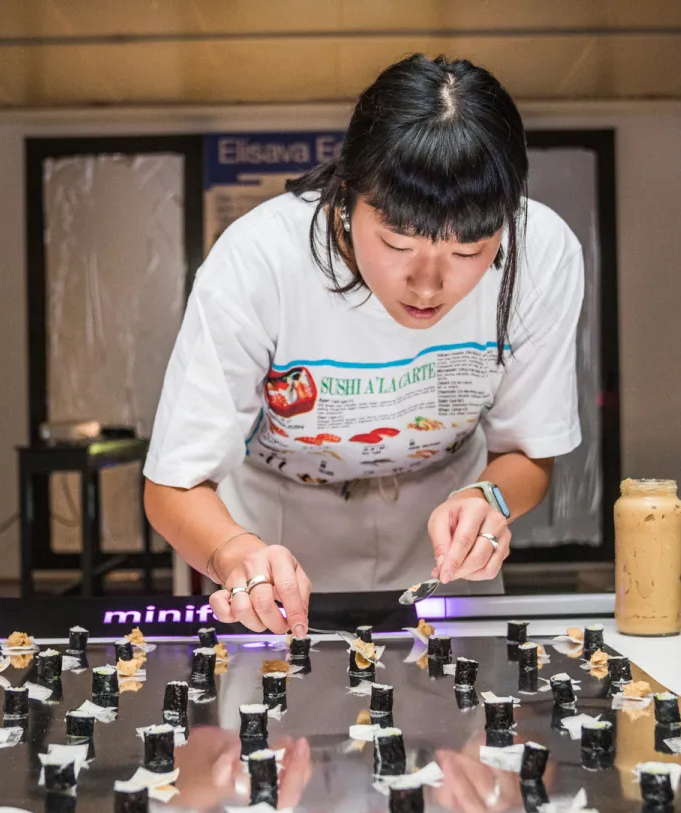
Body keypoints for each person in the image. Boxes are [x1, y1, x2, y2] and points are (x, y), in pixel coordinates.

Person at [144, 54, 584, 638]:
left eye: (469, 253)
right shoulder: (259, 259)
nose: (428, 285)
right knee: (276, 721)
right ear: (346, 195)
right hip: (279, 530)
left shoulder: (544, 253)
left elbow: (529, 454)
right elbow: (173, 484)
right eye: (398, 245)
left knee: (463, 718)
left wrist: (490, 498)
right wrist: (233, 552)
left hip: (442, 536)